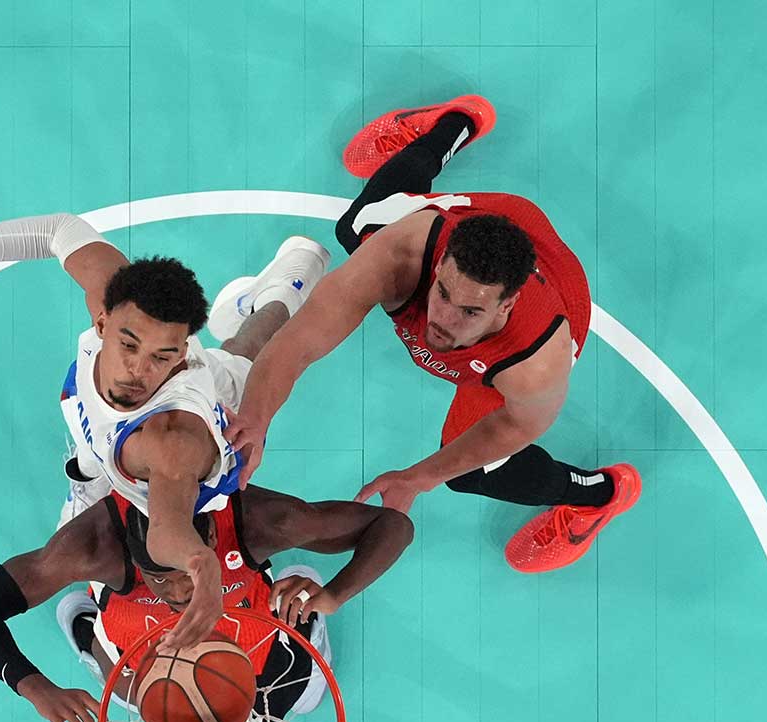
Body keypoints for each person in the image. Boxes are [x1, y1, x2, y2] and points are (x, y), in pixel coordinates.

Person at [0, 214, 328, 646]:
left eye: (162, 357)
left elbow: (168, 522)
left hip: (181, 444)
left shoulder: (172, 433)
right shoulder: (117, 296)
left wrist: (200, 563)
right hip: (113, 439)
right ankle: (294, 269)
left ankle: (297, 272)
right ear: (101, 322)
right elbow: (56, 231)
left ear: (178, 356)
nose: (138, 371)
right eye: (128, 345)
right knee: (221, 363)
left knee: (246, 352)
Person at [217, 95, 640, 574]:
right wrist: (254, 418)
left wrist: (417, 478)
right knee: (357, 225)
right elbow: (299, 342)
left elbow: (515, 426)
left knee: (474, 471)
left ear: (507, 305)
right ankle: (457, 122)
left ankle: (601, 495)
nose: (444, 318)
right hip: (487, 219)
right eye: (442, 292)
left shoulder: (534, 360)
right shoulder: (406, 254)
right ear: (439, 265)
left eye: (469, 311)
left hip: (555, 296)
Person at [0, 482, 414, 722]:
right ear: (128, 552)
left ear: (212, 536)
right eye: (159, 577)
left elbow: (392, 524)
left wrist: (333, 594)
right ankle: (87, 628)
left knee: (294, 702)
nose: (182, 590)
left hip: (251, 627)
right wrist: (35, 686)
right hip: (143, 642)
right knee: (135, 698)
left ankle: (299, 587)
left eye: (191, 570)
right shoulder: (90, 545)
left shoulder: (262, 520)